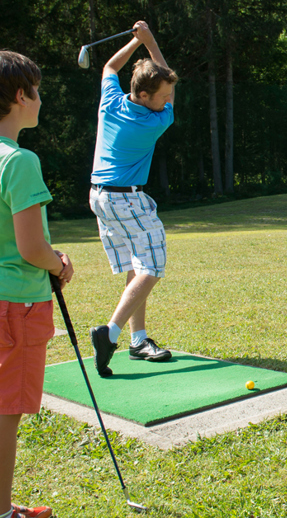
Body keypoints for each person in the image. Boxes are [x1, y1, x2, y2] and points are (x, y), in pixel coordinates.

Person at [0, 50, 75, 518]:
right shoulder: (20, 160)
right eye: (38, 91)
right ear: (21, 96)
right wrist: (59, 262)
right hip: (12, 305)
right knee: (5, 411)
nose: (41, 100)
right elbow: (31, 248)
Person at [88, 21, 178, 377]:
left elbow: (110, 67)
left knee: (137, 267)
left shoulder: (110, 101)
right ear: (144, 96)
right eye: (163, 95)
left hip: (100, 198)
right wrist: (150, 42)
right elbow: (161, 76)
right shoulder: (155, 122)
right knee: (152, 267)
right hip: (127, 200)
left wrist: (134, 43)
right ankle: (109, 333)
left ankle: (138, 340)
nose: (168, 100)